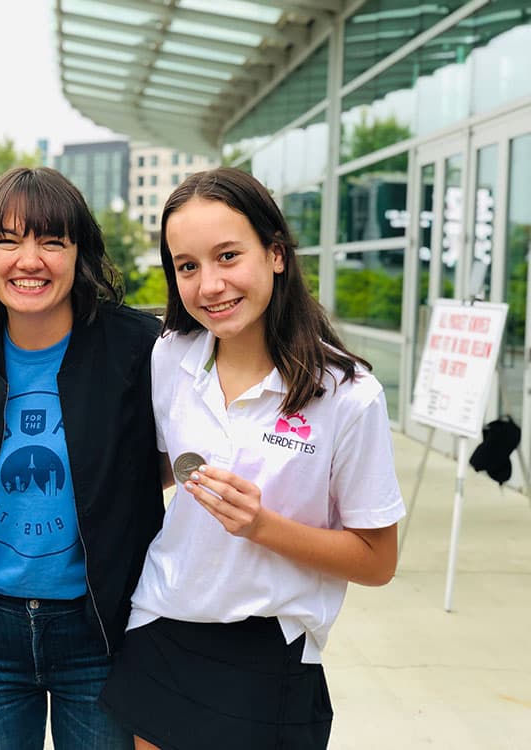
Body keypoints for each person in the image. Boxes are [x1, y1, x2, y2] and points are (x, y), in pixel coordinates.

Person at [99, 168, 405, 749]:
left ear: (277, 254)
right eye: (187, 266)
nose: (209, 284)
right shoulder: (170, 357)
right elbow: (161, 466)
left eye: (228, 256)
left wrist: (263, 527)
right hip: (163, 624)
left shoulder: (347, 394)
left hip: (271, 649)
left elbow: (377, 560)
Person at [0, 167, 165, 750]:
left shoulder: (140, 350)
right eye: (8, 240)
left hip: (105, 633)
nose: (30, 259)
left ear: (80, 254)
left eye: (52, 240)